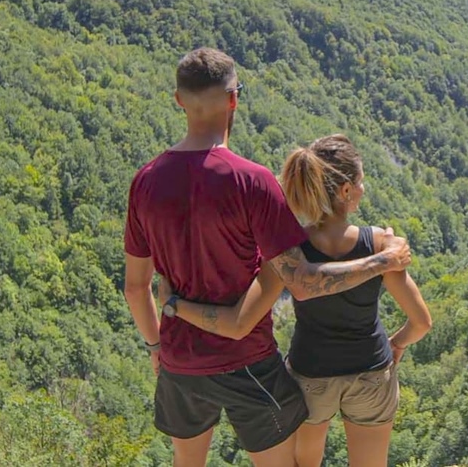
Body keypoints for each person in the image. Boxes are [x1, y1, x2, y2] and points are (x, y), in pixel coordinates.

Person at [122, 48, 412, 467]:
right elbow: (303, 282)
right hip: (249, 365)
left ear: (179, 100)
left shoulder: (145, 182)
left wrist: (155, 346)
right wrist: (381, 262)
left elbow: (136, 287)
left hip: (180, 361)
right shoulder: (252, 181)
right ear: (234, 99)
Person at [160, 134, 433, 467]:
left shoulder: (289, 250)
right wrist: (397, 345)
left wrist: (175, 304)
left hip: (310, 375)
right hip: (371, 372)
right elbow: (421, 322)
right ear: (345, 191)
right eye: (360, 182)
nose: (364, 189)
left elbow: (239, 321)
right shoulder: (380, 246)